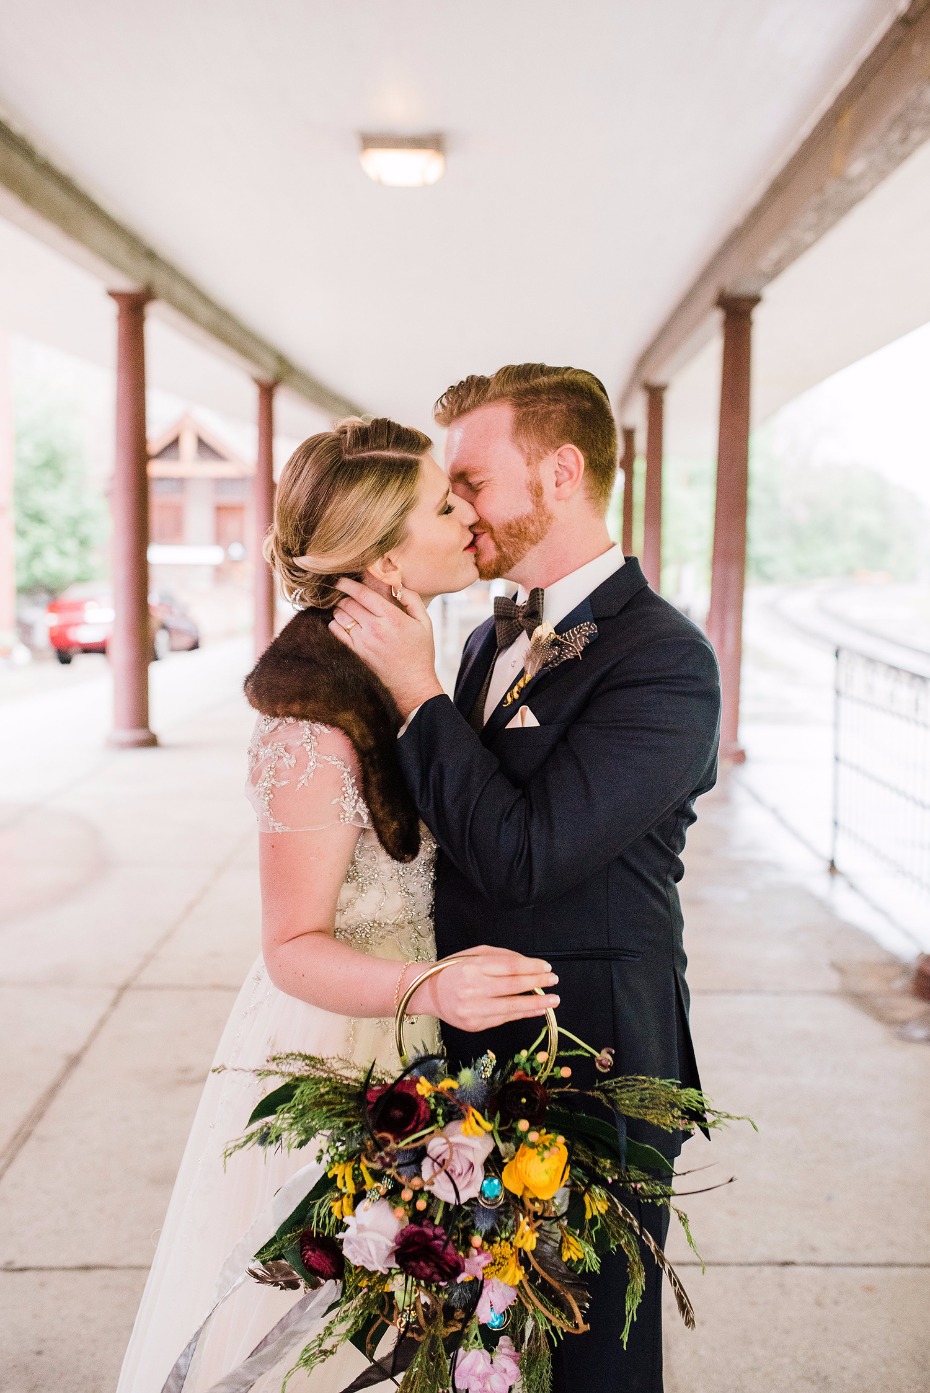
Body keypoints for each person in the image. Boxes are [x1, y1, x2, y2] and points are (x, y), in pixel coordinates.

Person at [116, 416, 559, 1393]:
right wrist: (431, 984)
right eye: (444, 505)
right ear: (388, 557)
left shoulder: (400, 673)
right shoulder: (313, 727)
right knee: (326, 1339)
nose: (466, 517)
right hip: (345, 1039)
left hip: (419, 1028)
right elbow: (291, 946)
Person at [331, 364, 722, 1393]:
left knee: (591, 1363)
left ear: (561, 470)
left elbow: (525, 854)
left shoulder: (667, 661)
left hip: (594, 1059)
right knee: (477, 1354)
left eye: (472, 479)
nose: (456, 507)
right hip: (466, 1051)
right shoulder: (478, 639)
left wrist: (413, 691)